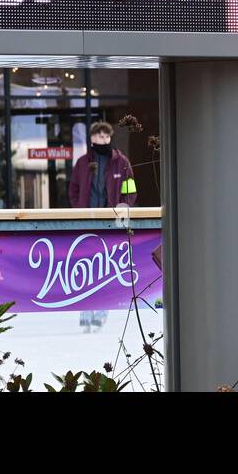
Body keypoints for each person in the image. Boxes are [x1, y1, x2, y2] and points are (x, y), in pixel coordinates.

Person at [67, 121, 138, 332]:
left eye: (106, 137)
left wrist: (124, 206)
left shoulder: (121, 162)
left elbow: (131, 189)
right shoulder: (82, 162)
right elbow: (73, 189)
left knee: (105, 270)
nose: (103, 140)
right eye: (99, 137)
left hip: (111, 225)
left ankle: (102, 311)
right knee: (85, 270)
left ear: (111, 137)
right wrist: (79, 209)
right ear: (92, 139)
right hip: (86, 224)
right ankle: (85, 311)